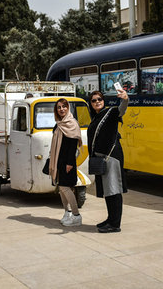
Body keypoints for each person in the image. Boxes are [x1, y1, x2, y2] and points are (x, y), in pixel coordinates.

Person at [87, 88, 129, 233]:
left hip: (111, 157)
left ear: (103, 101)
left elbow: (121, 110)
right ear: (90, 104)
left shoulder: (110, 113)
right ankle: (110, 219)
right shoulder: (96, 118)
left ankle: (115, 224)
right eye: (94, 100)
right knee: (108, 190)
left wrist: (125, 99)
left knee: (114, 190)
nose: (97, 102)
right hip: (101, 158)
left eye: (99, 99)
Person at [47, 98, 83, 227]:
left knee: (65, 188)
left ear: (68, 108)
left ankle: (76, 215)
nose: (62, 109)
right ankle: (67, 213)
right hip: (58, 160)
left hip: (68, 162)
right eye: (59, 107)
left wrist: (69, 163)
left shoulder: (72, 123)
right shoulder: (59, 123)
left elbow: (73, 146)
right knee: (61, 189)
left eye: (64, 106)